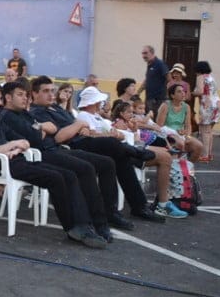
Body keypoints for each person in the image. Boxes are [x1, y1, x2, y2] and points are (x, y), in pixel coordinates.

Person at [0, 80, 109, 247]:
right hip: (5, 166)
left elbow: (25, 141)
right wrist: (15, 144)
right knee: (57, 178)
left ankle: (83, 225)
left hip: (19, 158)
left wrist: (18, 145)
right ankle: (73, 227)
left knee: (68, 175)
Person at [76, 86, 185, 219]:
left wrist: (120, 134)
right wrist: (113, 135)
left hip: (120, 147)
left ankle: (155, 203)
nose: (101, 103)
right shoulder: (84, 115)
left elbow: (117, 134)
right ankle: (157, 204)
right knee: (162, 157)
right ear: (92, 102)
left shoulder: (97, 117)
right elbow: (92, 135)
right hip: (108, 151)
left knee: (164, 156)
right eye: (98, 101)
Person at [155, 84, 204, 161]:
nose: (183, 93)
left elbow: (188, 125)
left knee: (199, 146)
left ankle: (187, 165)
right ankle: (175, 164)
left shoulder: (186, 107)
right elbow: (159, 125)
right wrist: (173, 133)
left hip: (180, 134)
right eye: (179, 91)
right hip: (167, 133)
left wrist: (187, 135)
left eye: (183, 91)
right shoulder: (165, 106)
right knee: (180, 143)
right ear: (172, 95)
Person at [193, 61, 220, 162]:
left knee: (205, 132)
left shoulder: (200, 77)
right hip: (217, 104)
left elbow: (200, 91)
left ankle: (205, 155)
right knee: (209, 131)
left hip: (207, 106)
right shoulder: (211, 78)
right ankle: (209, 154)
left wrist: (192, 93)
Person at [140, 45, 169, 115]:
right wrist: (138, 92)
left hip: (158, 100)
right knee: (149, 118)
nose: (143, 56)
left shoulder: (160, 64)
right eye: (142, 53)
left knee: (157, 118)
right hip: (149, 98)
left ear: (152, 53)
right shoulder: (149, 65)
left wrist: (169, 95)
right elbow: (147, 80)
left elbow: (169, 78)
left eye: (145, 53)